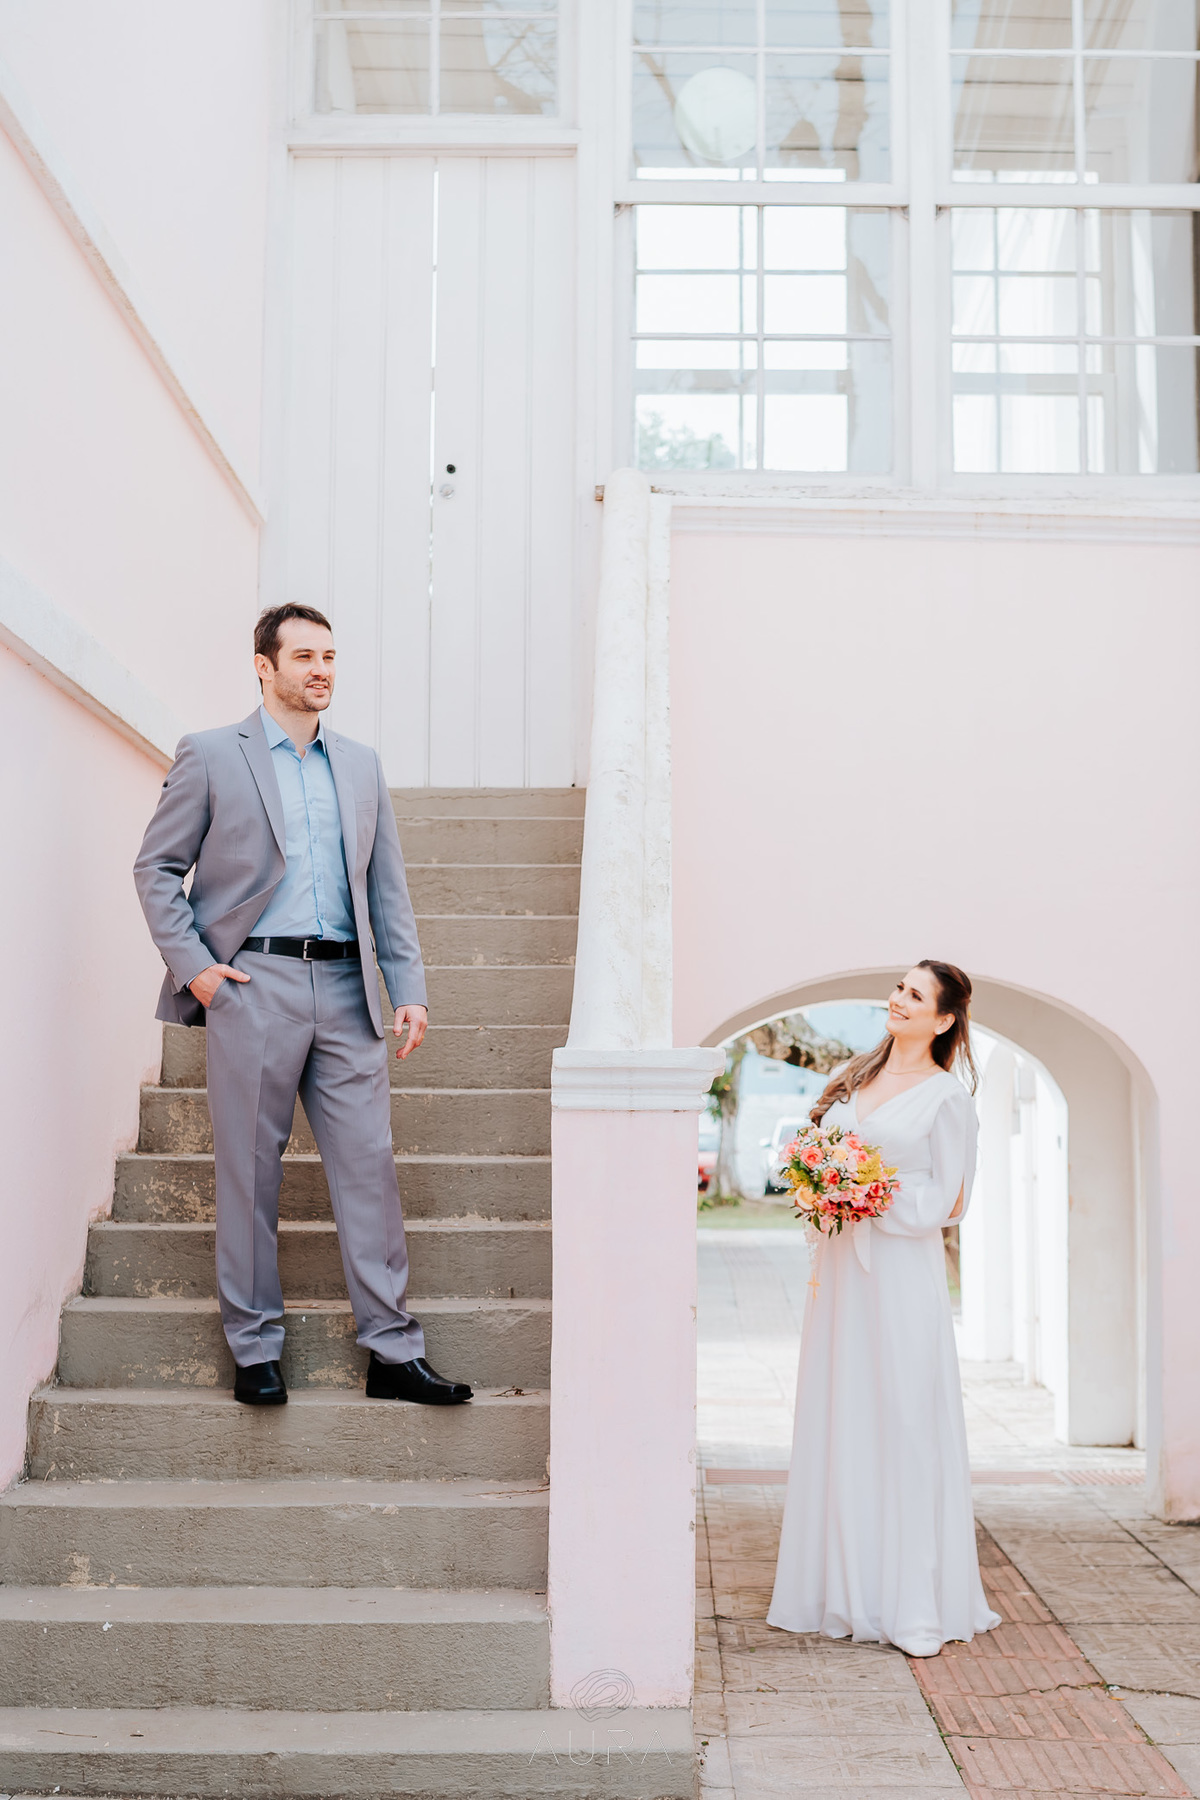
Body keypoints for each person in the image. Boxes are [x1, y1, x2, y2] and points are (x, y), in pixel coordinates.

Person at [133, 603, 472, 1410]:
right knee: (249, 1174)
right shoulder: (213, 755)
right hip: (256, 987)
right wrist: (201, 972)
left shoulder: (359, 765)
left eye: (329, 656)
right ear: (265, 666)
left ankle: (391, 1351)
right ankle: (255, 1349)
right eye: (303, 656)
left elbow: (386, 887)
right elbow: (156, 869)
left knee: (370, 1169)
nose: (320, 670)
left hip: (350, 993)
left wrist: (409, 988)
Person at [767, 960, 999, 1657]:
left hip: (900, 1272)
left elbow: (952, 1200)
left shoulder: (946, 1098)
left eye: (916, 995)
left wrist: (869, 1193)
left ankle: (913, 1602)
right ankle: (837, 1590)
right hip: (842, 1271)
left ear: (945, 1019)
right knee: (842, 1409)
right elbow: (821, 1149)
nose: (899, 999)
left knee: (902, 1415)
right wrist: (821, 1184)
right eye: (900, 988)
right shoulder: (854, 1076)